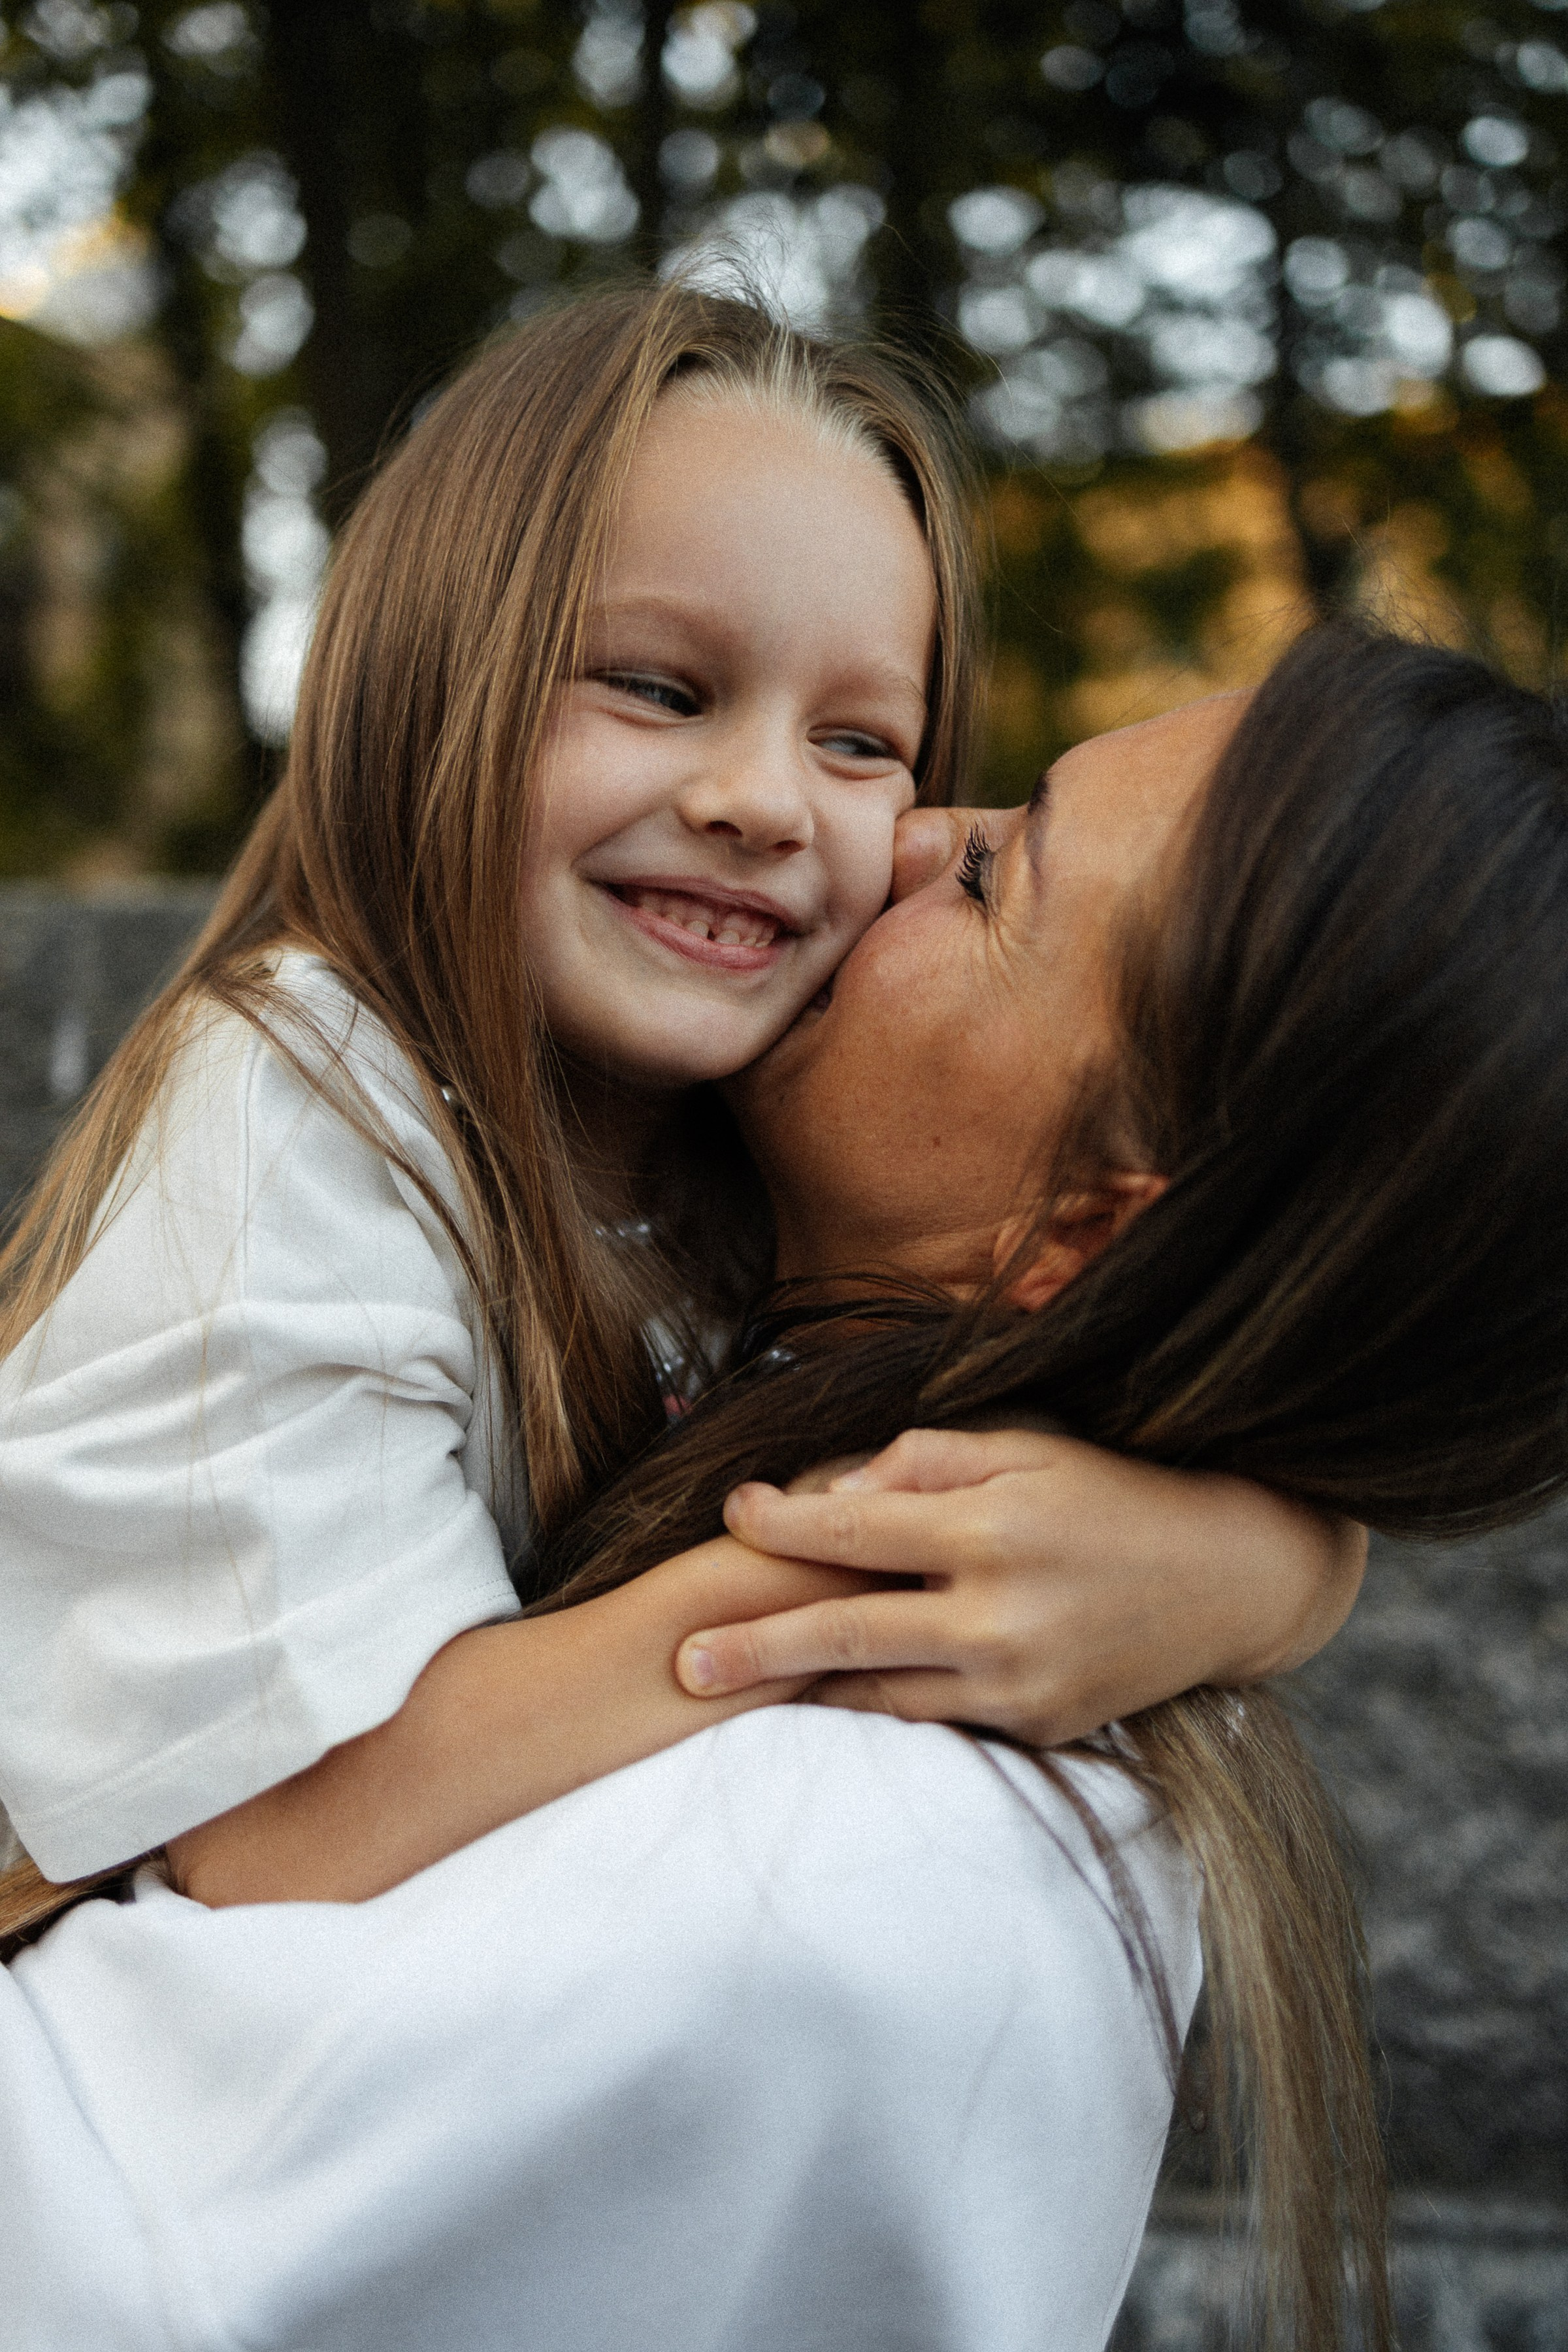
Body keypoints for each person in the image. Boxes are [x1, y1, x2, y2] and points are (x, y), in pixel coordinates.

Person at [0, 282, 1352, 1933]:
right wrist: (884, 1582)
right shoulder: (306, 1098)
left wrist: (1264, 1566)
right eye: (657, 688)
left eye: (859, 740)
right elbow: (286, 1833)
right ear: (428, 680)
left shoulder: (760, 1137)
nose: (763, 802)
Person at [532, 621, 1568, 2352]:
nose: (906, 834)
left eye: (994, 877)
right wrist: (1284, 1558)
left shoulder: (817, 1861)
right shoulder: (677, 1272)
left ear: (1082, 1229)